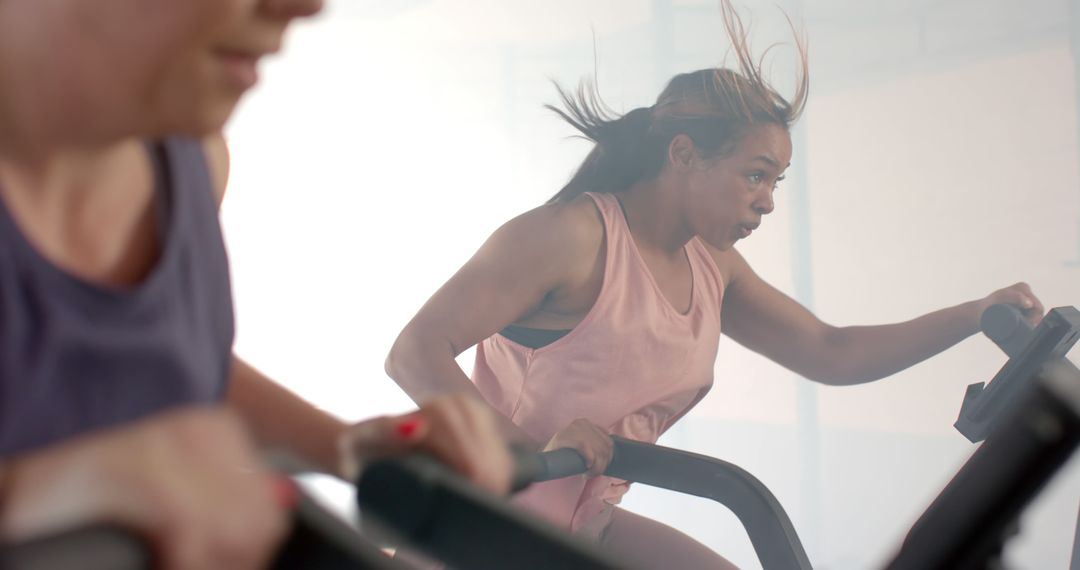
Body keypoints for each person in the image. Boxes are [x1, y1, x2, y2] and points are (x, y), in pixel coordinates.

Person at [384, 1, 1046, 568]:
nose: (767, 202)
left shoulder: (712, 267)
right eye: (755, 175)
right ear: (683, 154)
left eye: (776, 183)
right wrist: (526, 451)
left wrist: (976, 314)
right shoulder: (572, 238)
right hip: (476, 524)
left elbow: (831, 351)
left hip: (580, 521)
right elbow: (414, 352)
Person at [0, 1, 513, 568]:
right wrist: (34, 491)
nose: (305, 6)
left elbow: (175, 364)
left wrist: (344, 446)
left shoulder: (196, 162)